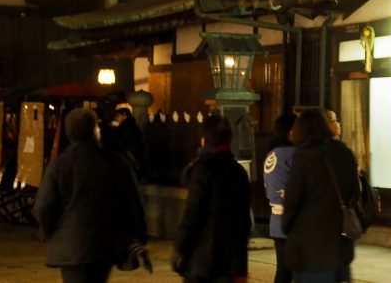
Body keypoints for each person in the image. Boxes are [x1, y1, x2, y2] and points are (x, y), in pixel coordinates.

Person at [34, 107, 147, 283]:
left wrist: (52, 233)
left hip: (71, 244)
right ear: (95, 131)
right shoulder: (114, 162)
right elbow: (133, 201)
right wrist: (138, 235)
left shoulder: (59, 165)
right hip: (105, 243)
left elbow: (44, 206)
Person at [279, 107, 361, 283]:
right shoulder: (343, 152)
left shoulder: (304, 157)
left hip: (310, 248)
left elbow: (293, 199)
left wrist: (286, 225)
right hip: (339, 245)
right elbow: (354, 191)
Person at [173, 113, 251, 283]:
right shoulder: (238, 172)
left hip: (202, 260)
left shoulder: (202, 170)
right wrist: (240, 267)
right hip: (229, 261)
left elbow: (193, 213)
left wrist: (179, 244)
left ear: (204, 140)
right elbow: (244, 222)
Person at [263, 111, 296, 283]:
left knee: (283, 270)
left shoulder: (272, 154)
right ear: (291, 132)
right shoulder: (291, 154)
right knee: (292, 271)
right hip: (292, 220)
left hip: (276, 219)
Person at [104, 106, 144, 178]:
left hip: (129, 158)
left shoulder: (125, 128)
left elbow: (119, 143)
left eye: (118, 116)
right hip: (133, 157)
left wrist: (112, 131)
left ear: (125, 115)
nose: (116, 119)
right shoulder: (132, 126)